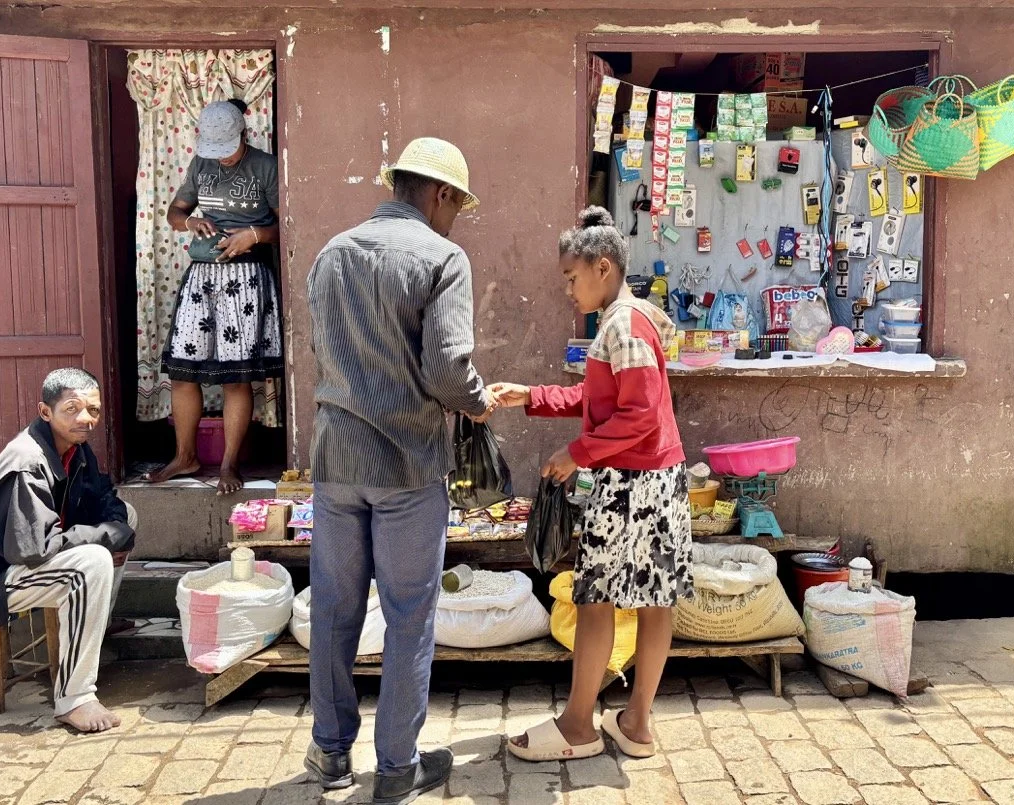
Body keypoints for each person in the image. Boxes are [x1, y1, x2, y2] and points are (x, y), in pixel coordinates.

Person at [304, 137, 494, 804]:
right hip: (407, 463)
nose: (455, 218)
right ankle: (395, 767)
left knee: (333, 608)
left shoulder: (331, 253)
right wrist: (477, 400)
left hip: (335, 460)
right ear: (439, 194)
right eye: (456, 205)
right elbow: (447, 369)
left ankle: (330, 754)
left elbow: (322, 353)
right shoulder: (443, 257)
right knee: (410, 615)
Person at [488, 206, 693, 763]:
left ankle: (579, 726)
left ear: (603, 268)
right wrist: (532, 395)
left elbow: (640, 416)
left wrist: (576, 453)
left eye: (571, 278)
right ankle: (636, 724)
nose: (568, 289)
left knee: (597, 599)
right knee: (655, 604)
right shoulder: (635, 319)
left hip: (631, 486)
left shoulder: (621, 326)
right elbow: (603, 402)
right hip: (662, 481)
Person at [0, 368, 136, 733]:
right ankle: (75, 698)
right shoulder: (28, 461)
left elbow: (105, 497)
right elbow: (34, 549)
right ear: (46, 413)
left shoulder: (76, 447)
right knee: (91, 562)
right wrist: (104, 537)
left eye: (93, 410)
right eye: (72, 409)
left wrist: (115, 529)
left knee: (125, 520)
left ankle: (94, 620)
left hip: (22, 564)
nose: (85, 419)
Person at [146, 98, 283, 494]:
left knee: (235, 376)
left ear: (243, 134)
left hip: (246, 278)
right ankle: (185, 456)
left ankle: (228, 464)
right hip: (201, 276)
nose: (221, 160)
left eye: (228, 150)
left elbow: (286, 223)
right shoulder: (200, 165)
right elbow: (175, 213)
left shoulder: (266, 167)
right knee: (183, 371)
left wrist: (254, 235)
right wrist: (190, 220)